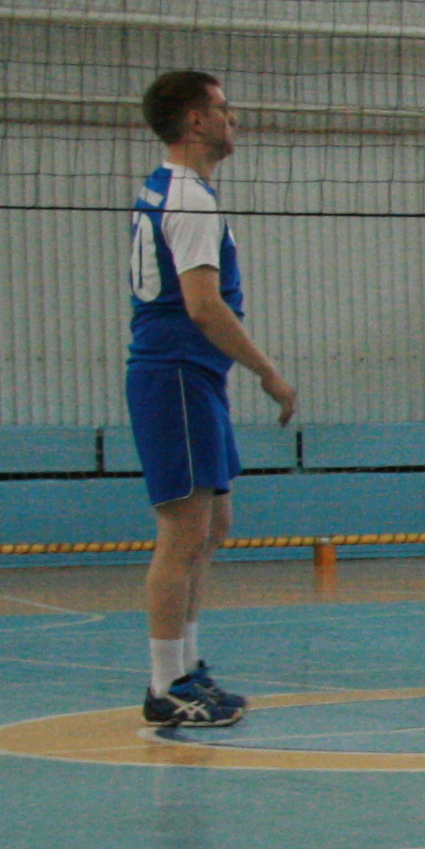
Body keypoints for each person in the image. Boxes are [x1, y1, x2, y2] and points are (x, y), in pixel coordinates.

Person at [129, 71, 297, 728]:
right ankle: (164, 682)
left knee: (214, 525)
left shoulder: (175, 190)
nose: (235, 120)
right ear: (195, 122)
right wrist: (267, 372)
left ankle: (187, 665)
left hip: (192, 377)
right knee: (183, 533)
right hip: (176, 372)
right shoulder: (189, 199)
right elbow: (203, 307)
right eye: (224, 110)